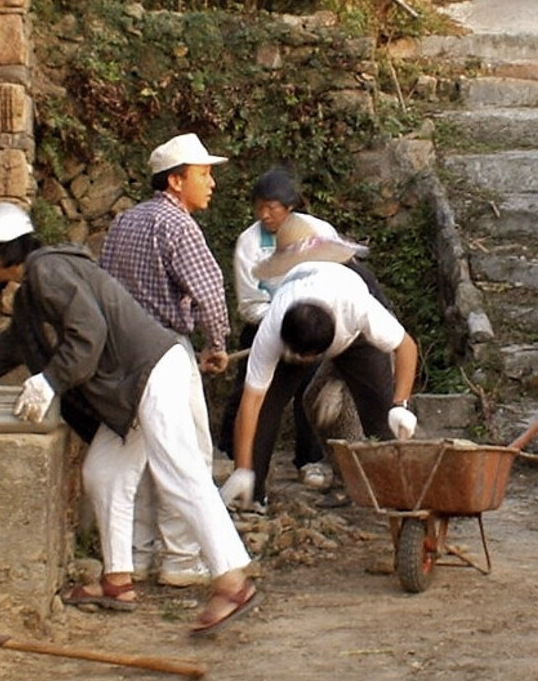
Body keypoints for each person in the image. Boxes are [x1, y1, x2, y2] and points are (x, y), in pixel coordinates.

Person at [0, 201, 259, 636]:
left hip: (150, 372)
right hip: (133, 388)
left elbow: (89, 331)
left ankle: (232, 581)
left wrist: (50, 381)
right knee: (102, 473)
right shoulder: (33, 291)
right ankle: (117, 581)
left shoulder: (46, 270)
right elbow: (11, 345)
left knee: (180, 476)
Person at [98, 133, 231, 588]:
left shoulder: (125, 222)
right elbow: (210, 291)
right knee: (187, 453)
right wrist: (216, 344)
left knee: (135, 455)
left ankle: (135, 554)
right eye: (203, 174)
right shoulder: (179, 226)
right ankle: (180, 558)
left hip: (123, 355)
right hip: (168, 352)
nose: (210, 183)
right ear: (176, 181)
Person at [219, 215, 419, 511]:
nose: (308, 363)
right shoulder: (274, 326)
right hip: (298, 333)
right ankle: (253, 495)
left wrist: (400, 404)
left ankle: (398, 497)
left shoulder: (356, 305)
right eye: (305, 359)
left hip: (355, 340)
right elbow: (252, 401)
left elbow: (407, 347)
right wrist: (242, 467)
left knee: (381, 415)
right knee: (268, 408)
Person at [218, 170, 340, 490]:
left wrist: (306, 317)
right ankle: (239, 460)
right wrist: (279, 319)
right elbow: (249, 301)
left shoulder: (318, 231)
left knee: (307, 391)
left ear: (290, 207)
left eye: (272, 207)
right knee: (252, 391)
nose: (264, 215)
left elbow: (335, 277)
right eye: (259, 207)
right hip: (264, 326)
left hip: (311, 325)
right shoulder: (249, 242)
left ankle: (310, 459)